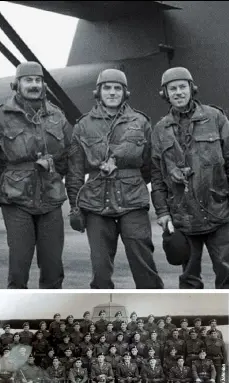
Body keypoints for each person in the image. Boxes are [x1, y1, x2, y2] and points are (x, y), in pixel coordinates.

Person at [151, 67, 229, 343]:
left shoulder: (215, 118)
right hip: (183, 216)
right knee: (189, 275)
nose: (178, 92)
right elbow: (157, 176)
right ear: (165, 93)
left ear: (192, 89)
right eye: (172, 88)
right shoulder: (160, 129)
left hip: (217, 209)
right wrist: (163, 212)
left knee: (225, 272)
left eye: (182, 87)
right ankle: (194, 328)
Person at [66, 68, 164, 289]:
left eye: (117, 88)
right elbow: (74, 172)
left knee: (143, 262)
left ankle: (154, 314)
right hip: (96, 204)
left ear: (125, 93)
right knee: (100, 268)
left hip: (133, 203)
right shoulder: (83, 126)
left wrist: (130, 180)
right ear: (98, 92)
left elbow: (150, 166)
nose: (112, 93)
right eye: (107, 88)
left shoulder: (140, 122)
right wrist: (75, 207)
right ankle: (104, 318)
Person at [0, 61, 70, 289]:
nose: (33, 85)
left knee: (53, 266)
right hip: (16, 200)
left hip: (51, 198)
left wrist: (52, 172)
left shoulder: (57, 116)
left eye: (37, 81)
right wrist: (11, 178)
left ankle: (52, 317)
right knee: (19, 265)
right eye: (28, 80)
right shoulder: (0, 117)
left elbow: (66, 154)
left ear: (43, 84)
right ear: (17, 84)